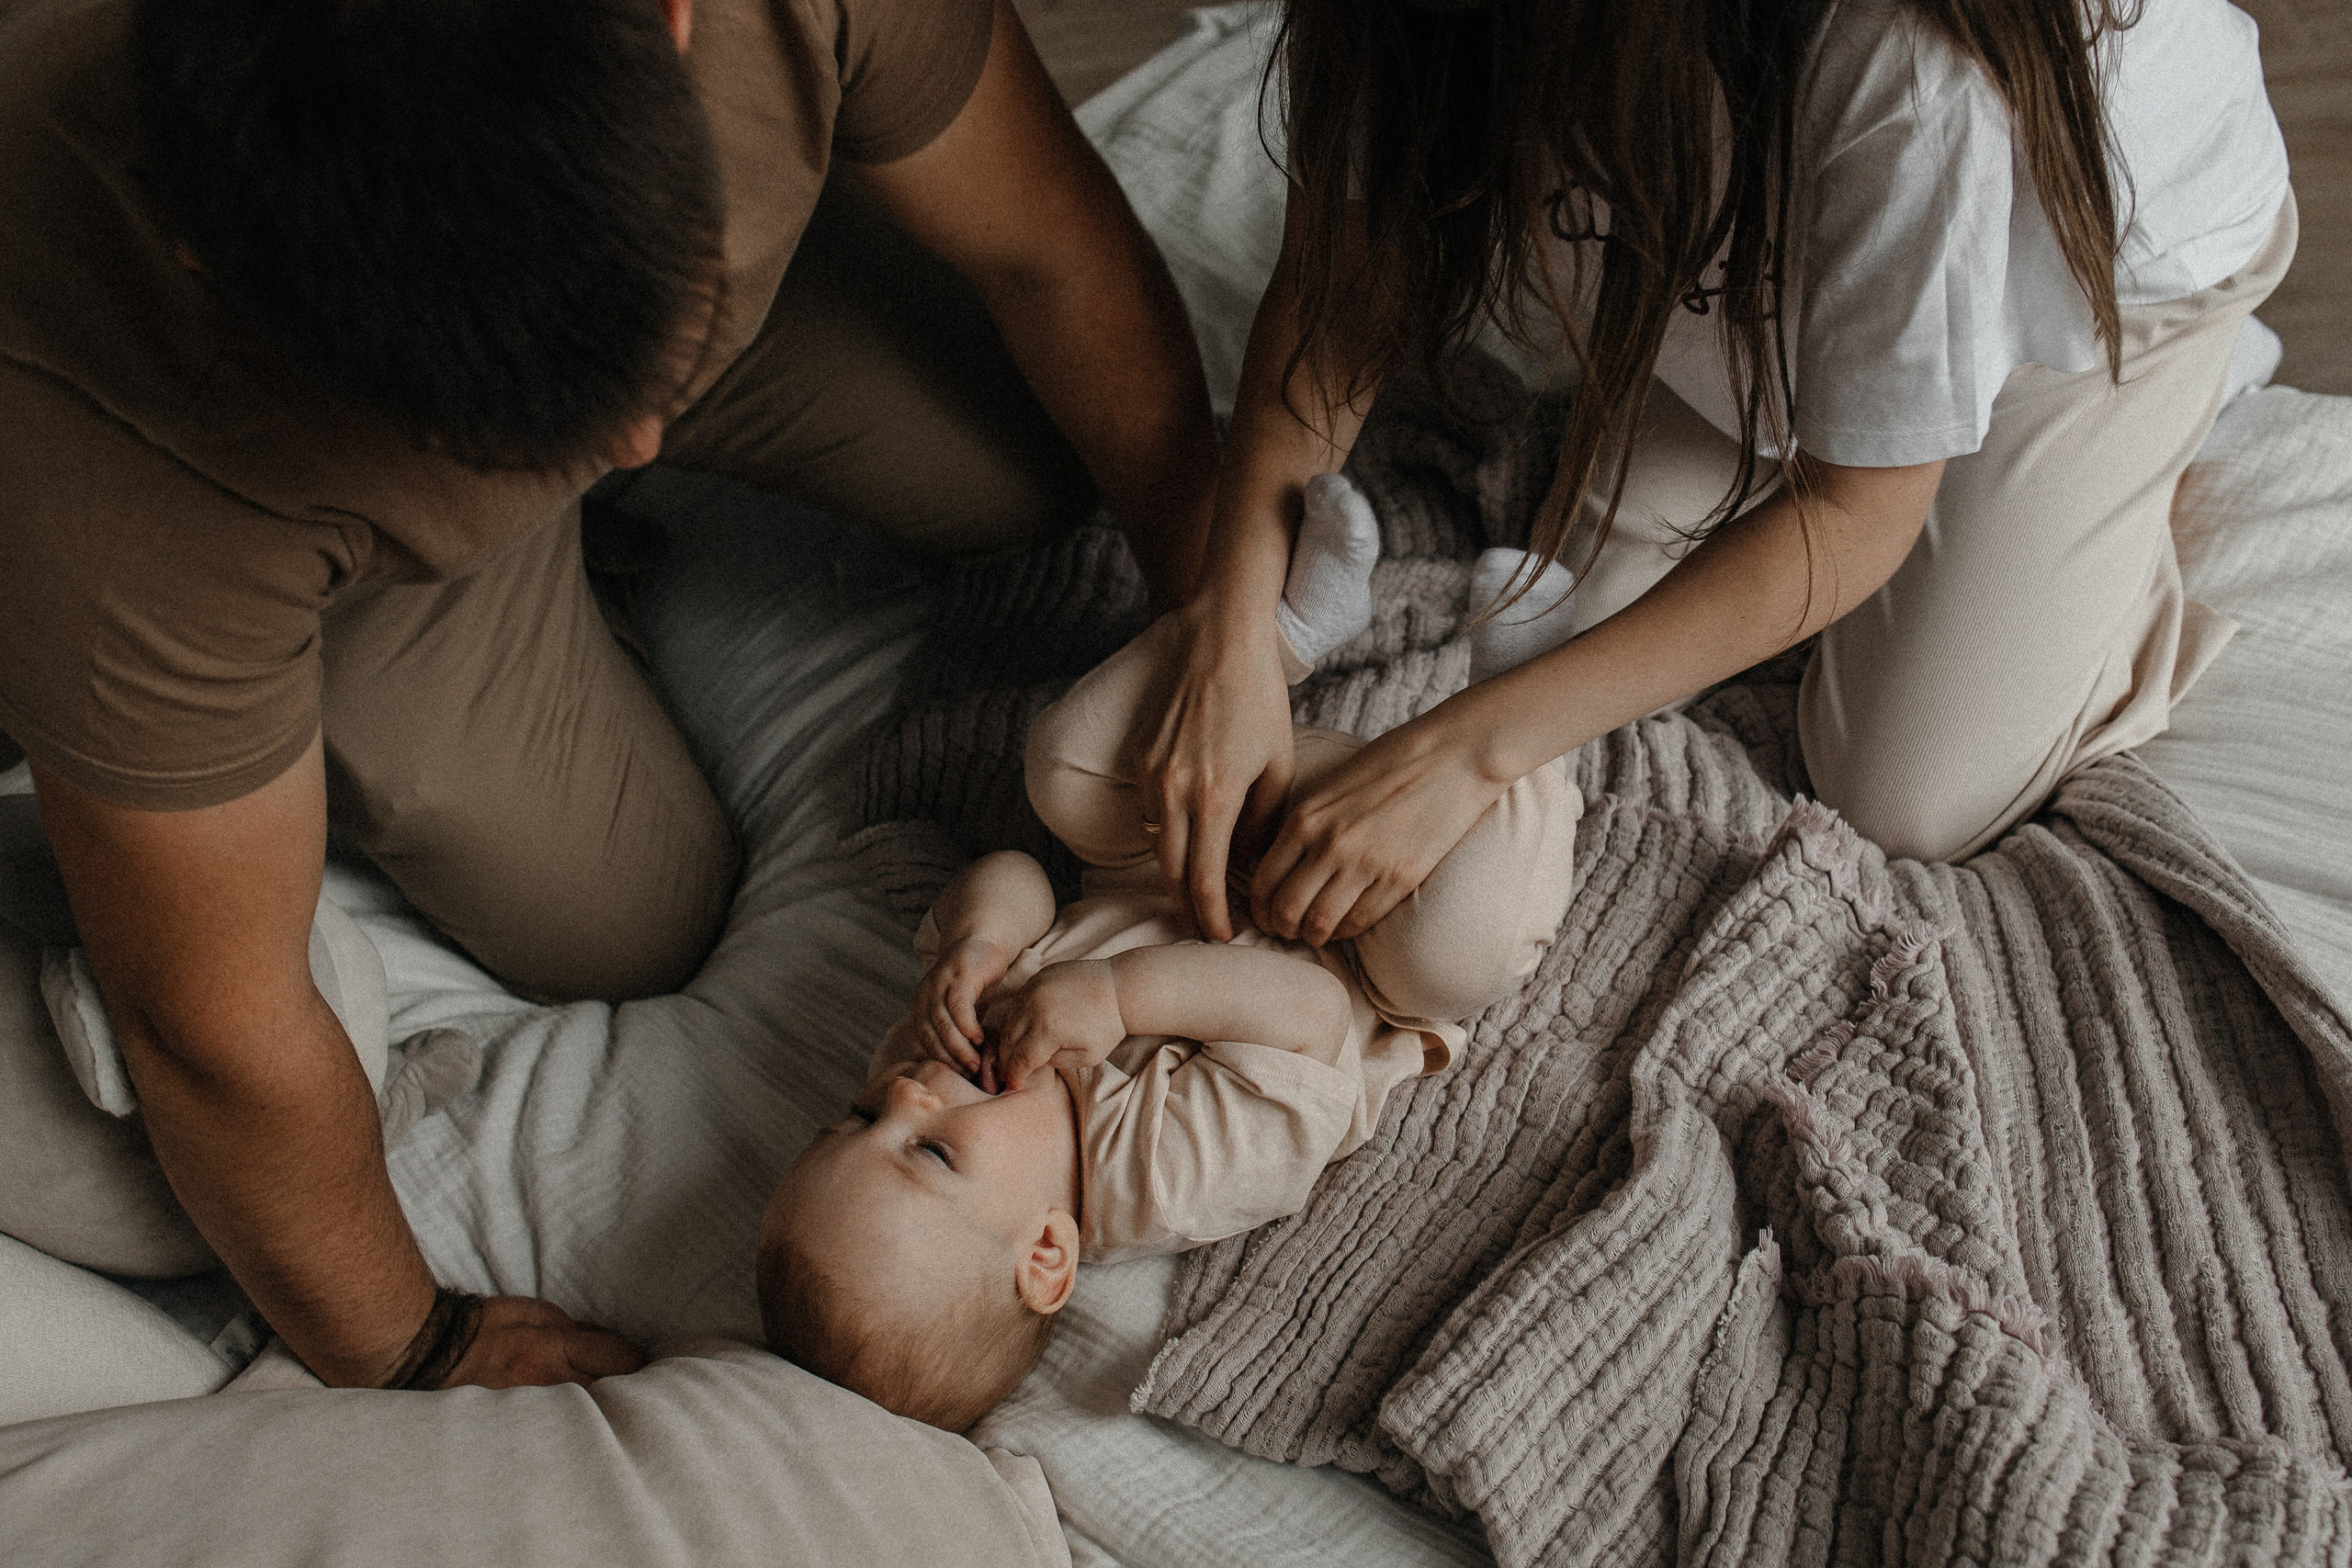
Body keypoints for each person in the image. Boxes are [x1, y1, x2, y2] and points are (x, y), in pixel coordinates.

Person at [0, 0, 1218, 1391]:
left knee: (1046, 472)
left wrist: (1238, 629)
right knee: (635, 921)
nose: (636, 438)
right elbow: (212, 1028)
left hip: (580, 319)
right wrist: (414, 1336)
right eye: (533, 427)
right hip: (353, 552)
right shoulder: (85, 443)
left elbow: (1050, 254)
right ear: (205, 254)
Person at [1133, 0, 2294, 955]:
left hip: (2095, 286)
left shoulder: (1903, 66)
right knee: (1582, 598)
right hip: (1788, 263)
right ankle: (1882, 383)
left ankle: (2135, 428)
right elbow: (1344, 282)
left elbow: (1852, 516)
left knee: (1909, 795)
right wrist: (1231, 632)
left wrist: (1461, 750)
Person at [756, 485, 1579, 1431]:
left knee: (1063, 771)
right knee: (1460, 951)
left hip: (1191, 831)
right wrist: (1116, 996)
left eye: (856, 1114)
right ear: (1047, 1255)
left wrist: (980, 939)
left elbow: (1020, 873)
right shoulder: (1163, 1177)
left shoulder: (936, 1053)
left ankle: (1284, 630)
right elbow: (1308, 1012)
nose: (905, 1096)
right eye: (932, 1152)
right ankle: (1520, 712)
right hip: (1368, 932)